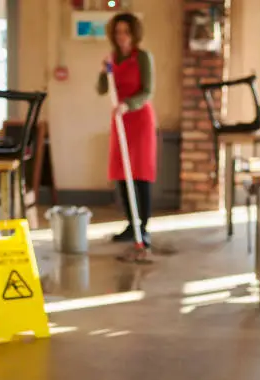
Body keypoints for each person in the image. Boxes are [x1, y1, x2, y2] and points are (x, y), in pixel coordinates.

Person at [96, 12, 156, 248]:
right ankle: (131, 225)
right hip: (120, 120)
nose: (121, 37)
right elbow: (102, 89)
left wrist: (128, 104)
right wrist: (103, 71)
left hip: (139, 119)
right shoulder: (112, 59)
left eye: (126, 32)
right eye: (118, 32)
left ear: (134, 34)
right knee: (122, 172)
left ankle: (144, 228)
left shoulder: (143, 57)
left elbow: (147, 91)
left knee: (140, 173)